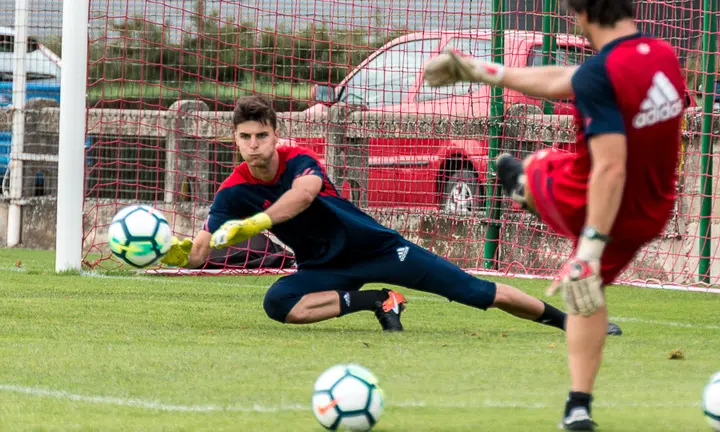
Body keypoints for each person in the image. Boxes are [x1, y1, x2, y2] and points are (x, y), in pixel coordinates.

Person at [159, 95, 623, 338]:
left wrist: (258, 224)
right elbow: (201, 252)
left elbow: (303, 196)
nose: (255, 144)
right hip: (325, 268)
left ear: (276, 134)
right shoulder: (235, 188)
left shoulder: (299, 159)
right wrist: (179, 252)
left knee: (472, 291)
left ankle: (573, 323)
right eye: (246, 136)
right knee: (278, 305)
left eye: (262, 135)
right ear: (235, 139)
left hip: (380, 249)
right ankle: (378, 302)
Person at [423, 0, 685, 429]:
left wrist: (589, 249)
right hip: (651, 211)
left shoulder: (600, 73)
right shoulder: (663, 55)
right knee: (587, 294)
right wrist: (482, 70)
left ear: (581, 14)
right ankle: (577, 406)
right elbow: (571, 80)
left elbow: (610, 167)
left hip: (590, 198)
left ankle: (525, 189)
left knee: (542, 163)